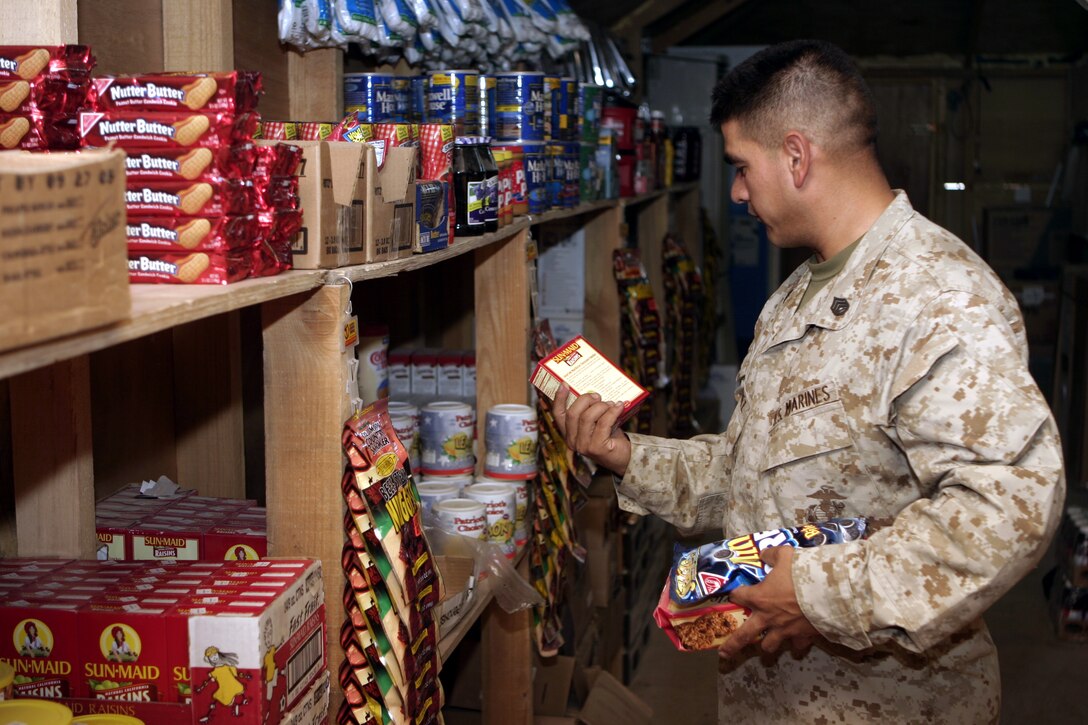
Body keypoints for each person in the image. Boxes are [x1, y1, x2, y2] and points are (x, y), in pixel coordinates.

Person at [552, 39, 1065, 723]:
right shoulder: (793, 300)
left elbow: (1011, 506)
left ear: (797, 156)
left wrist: (817, 593)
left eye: (741, 167)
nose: (735, 192)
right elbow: (751, 475)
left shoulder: (940, 298)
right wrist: (627, 457)